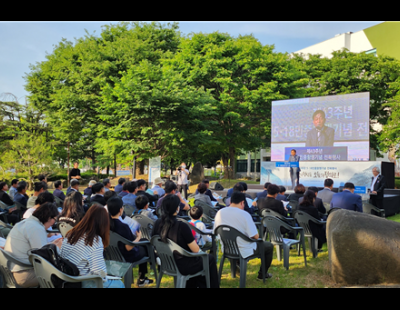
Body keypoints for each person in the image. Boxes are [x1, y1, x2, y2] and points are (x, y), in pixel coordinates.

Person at [152, 194, 219, 288]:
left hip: (166, 263)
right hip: (182, 265)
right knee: (209, 259)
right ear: (177, 208)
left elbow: (153, 242)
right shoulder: (181, 226)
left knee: (199, 261)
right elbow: (195, 250)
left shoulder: (157, 223)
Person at [60, 204, 124, 288]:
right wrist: (105, 274)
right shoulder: (94, 241)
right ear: (104, 223)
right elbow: (99, 274)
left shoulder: (71, 233)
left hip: (69, 279)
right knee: (119, 284)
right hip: (83, 281)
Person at [214, 192, 274, 281]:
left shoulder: (220, 213)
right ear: (242, 202)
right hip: (244, 249)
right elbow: (255, 236)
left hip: (227, 248)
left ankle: (236, 267)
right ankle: (262, 274)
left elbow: (216, 231)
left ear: (230, 201)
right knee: (268, 246)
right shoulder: (245, 214)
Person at [4, 202, 62, 288]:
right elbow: (44, 259)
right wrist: (57, 248)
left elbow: (35, 247)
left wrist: (51, 244)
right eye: (55, 219)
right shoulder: (36, 228)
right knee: (62, 275)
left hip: (12, 271)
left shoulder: (27, 223)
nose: (54, 223)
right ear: (49, 218)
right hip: (24, 275)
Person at [108, 196, 154, 287]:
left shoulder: (106, 224)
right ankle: (143, 277)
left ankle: (145, 274)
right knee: (146, 246)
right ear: (120, 209)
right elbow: (129, 247)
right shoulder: (123, 226)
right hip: (127, 255)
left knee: (144, 241)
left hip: (112, 254)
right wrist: (138, 237)